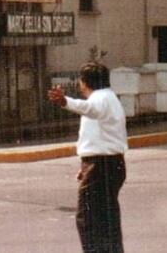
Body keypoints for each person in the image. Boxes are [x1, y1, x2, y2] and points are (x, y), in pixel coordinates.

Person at [48, 63, 128, 253]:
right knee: (106, 219)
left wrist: (65, 101)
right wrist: (86, 166)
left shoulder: (100, 98)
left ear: (85, 82)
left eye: (81, 81)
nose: (80, 85)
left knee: (89, 219)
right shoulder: (110, 98)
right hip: (108, 163)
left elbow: (90, 109)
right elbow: (99, 136)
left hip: (101, 165)